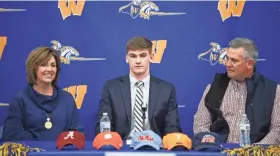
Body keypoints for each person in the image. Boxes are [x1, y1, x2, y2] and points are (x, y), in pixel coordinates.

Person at [193, 38, 280, 144]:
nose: (227, 64)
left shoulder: (273, 90)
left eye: (234, 60)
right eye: (227, 58)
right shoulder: (214, 87)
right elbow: (200, 124)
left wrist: (254, 151)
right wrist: (212, 146)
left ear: (250, 64)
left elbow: (277, 130)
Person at [95, 36, 181, 139]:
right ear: (127, 58)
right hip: (122, 148)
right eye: (133, 56)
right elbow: (103, 125)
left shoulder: (166, 90)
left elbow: (172, 127)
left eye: (143, 55)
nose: (138, 61)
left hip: (155, 147)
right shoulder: (111, 88)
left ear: (151, 57)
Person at [2, 47, 83, 141]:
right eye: (44, 65)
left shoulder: (67, 98)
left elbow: (77, 133)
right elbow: (11, 135)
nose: (49, 69)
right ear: (33, 68)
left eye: (53, 65)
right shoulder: (20, 100)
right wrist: (41, 145)